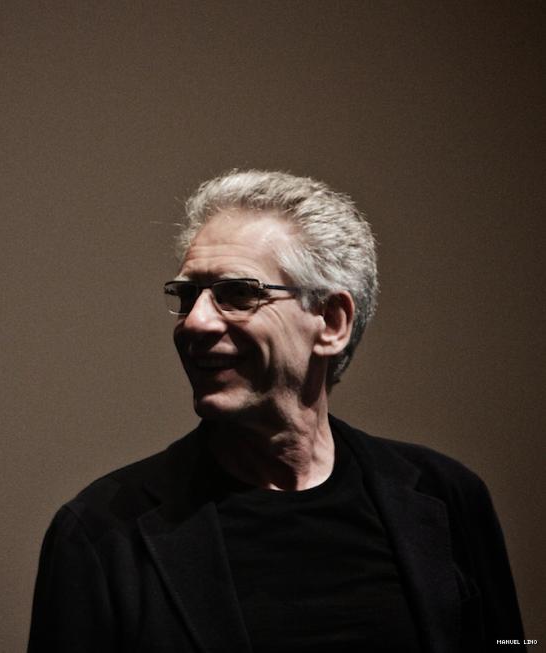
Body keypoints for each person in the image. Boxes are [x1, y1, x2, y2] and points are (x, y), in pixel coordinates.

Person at [28, 170, 525, 652]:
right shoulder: (101, 532)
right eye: (187, 295)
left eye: (238, 293)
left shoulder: (445, 497)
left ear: (331, 322)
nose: (195, 323)